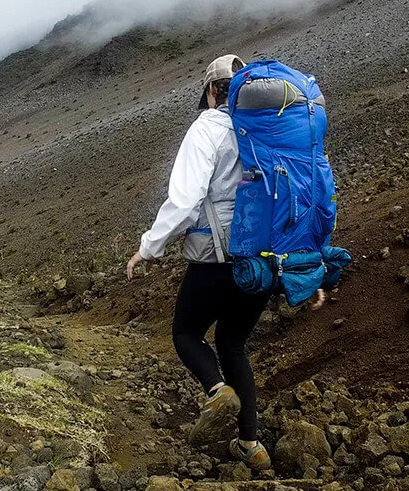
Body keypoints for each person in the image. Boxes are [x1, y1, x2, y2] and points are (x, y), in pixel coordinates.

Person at [127, 55, 326, 471]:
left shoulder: (209, 126)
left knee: (185, 333)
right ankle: (251, 444)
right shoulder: (273, 129)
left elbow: (185, 200)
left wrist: (149, 247)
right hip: (265, 262)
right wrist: (310, 266)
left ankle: (219, 390)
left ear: (213, 90)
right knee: (233, 343)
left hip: (216, 260)